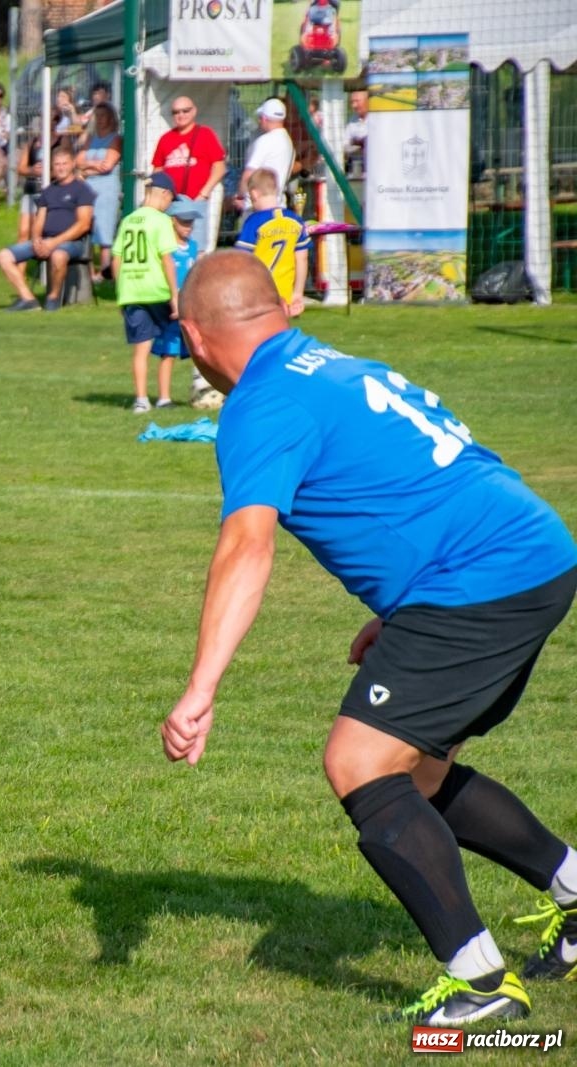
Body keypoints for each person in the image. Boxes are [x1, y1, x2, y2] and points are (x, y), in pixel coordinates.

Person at [162, 249, 577, 1027]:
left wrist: (201, 687)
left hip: (480, 579)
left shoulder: (262, 403)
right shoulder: (337, 366)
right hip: (532, 552)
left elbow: (246, 545)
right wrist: (405, 610)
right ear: (279, 309)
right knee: (414, 774)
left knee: (359, 762)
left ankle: (480, 985)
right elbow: (439, 469)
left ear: (191, 334)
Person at [0, 146, 94, 313]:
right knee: (3, 256)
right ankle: (28, 299)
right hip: (45, 241)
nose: (61, 167)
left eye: (64, 163)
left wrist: (53, 242)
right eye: (57, 164)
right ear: (52, 167)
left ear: (72, 165)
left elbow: (83, 224)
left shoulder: (82, 189)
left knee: (58, 255)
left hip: (73, 243)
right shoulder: (48, 191)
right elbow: (39, 221)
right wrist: (36, 241)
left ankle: (53, 299)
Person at [111, 172, 179, 412]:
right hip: (156, 291)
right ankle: (164, 397)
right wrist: (175, 295)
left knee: (141, 348)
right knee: (169, 344)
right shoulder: (161, 221)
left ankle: (141, 399)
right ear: (164, 194)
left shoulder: (128, 220)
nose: (171, 204)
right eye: (172, 198)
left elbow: (116, 260)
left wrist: (122, 293)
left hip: (132, 291)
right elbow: (167, 260)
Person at [150, 96, 226, 254]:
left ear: (194, 111)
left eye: (185, 110)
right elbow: (157, 171)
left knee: (197, 247)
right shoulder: (165, 139)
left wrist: (204, 193)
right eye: (176, 112)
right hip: (172, 202)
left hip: (195, 201)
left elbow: (219, 167)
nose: (181, 115)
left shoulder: (205, 134)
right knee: (169, 246)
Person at [235, 169, 309, 317]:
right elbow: (302, 258)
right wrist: (298, 293)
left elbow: (241, 259)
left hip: (258, 293)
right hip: (285, 294)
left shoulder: (254, 222)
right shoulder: (295, 221)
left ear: (254, 194)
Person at [149, 196, 203, 393]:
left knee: (199, 348)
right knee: (168, 353)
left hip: (189, 308)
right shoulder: (165, 248)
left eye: (191, 221)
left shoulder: (194, 247)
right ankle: (164, 397)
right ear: (172, 220)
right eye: (184, 221)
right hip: (170, 309)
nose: (188, 226)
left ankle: (202, 389)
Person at [75, 102, 123, 280]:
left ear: (111, 118)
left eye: (104, 116)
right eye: (98, 116)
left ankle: (105, 270)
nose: (101, 120)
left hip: (106, 188)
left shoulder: (115, 139)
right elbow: (78, 161)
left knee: (104, 228)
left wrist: (85, 169)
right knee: (86, 226)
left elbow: (108, 166)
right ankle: (88, 271)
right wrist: (93, 165)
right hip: (88, 187)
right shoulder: (90, 139)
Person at [237, 98, 294, 212]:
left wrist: (240, 196)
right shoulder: (288, 142)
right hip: (278, 204)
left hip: (256, 206)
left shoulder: (264, 141)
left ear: (264, 118)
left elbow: (249, 173)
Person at [343, 87, 369, 179]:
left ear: (368, 101)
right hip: (356, 170)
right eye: (352, 102)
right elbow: (345, 144)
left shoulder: (378, 118)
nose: (354, 105)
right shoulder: (352, 120)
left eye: (357, 101)